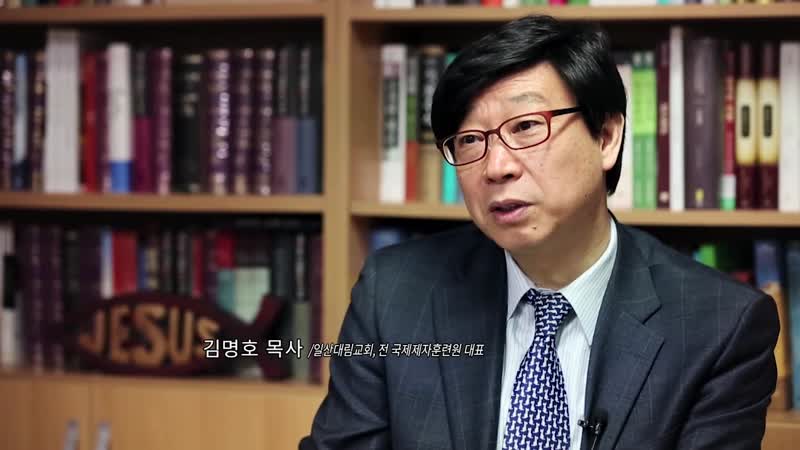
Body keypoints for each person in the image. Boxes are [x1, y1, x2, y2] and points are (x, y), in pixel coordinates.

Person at [302, 14, 779, 450]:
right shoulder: (393, 294)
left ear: (606, 137)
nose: (496, 167)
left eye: (527, 127)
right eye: (470, 140)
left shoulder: (720, 327)